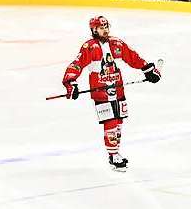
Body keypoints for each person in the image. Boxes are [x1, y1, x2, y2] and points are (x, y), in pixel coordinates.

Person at [61, 16, 161, 171]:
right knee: (111, 122)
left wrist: (147, 69)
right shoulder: (89, 47)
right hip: (100, 91)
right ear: (94, 30)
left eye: (106, 26)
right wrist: (71, 82)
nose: (105, 30)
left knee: (119, 122)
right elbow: (77, 64)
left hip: (118, 87)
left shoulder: (116, 43)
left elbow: (132, 57)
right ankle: (113, 155)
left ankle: (115, 152)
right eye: (101, 27)